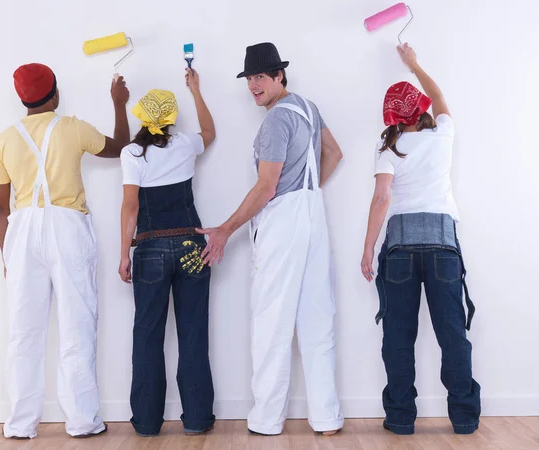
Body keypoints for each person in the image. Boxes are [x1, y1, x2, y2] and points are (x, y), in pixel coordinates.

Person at [197, 42, 344, 436]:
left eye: (260, 77)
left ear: (280, 75)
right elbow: (333, 153)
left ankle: (266, 419)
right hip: (314, 216)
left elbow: (266, 187)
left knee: (270, 321)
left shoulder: (277, 120)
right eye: (249, 78)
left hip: (283, 221)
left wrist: (225, 230)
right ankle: (326, 418)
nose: (253, 86)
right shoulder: (308, 108)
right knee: (317, 319)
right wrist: (307, 189)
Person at [0, 63, 130, 439]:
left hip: (20, 232)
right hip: (66, 227)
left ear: (23, 99)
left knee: (23, 331)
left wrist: (8, 256)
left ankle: (20, 424)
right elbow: (121, 149)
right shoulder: (72, 127)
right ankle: (83, 421)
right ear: (54, 94)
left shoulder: (3, 139)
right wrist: (119, 104)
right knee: (77, 325)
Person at [360, 43, 481, 435]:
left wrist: (366, 250)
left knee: (398, 337)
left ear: (392, 116)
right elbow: (441, 96)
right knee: (452, 335)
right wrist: (414, 65)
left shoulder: (390, 149)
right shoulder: (443, 134)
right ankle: (464, 419)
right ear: (421, 110)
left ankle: (399, 419)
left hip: (398, 252)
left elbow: (381, 199)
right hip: (444, 248)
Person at [118, 69, 216, 437]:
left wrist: (124, 253)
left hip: (151, 248)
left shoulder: (132, 152)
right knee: (193, 332)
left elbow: (130, 207)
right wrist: (196, 91)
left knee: (147, 333)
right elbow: (211, 132)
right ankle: (197, 420)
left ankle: (145, 422)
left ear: (141, 117)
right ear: (172, 119)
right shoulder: (185, 145)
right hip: (192, 245)